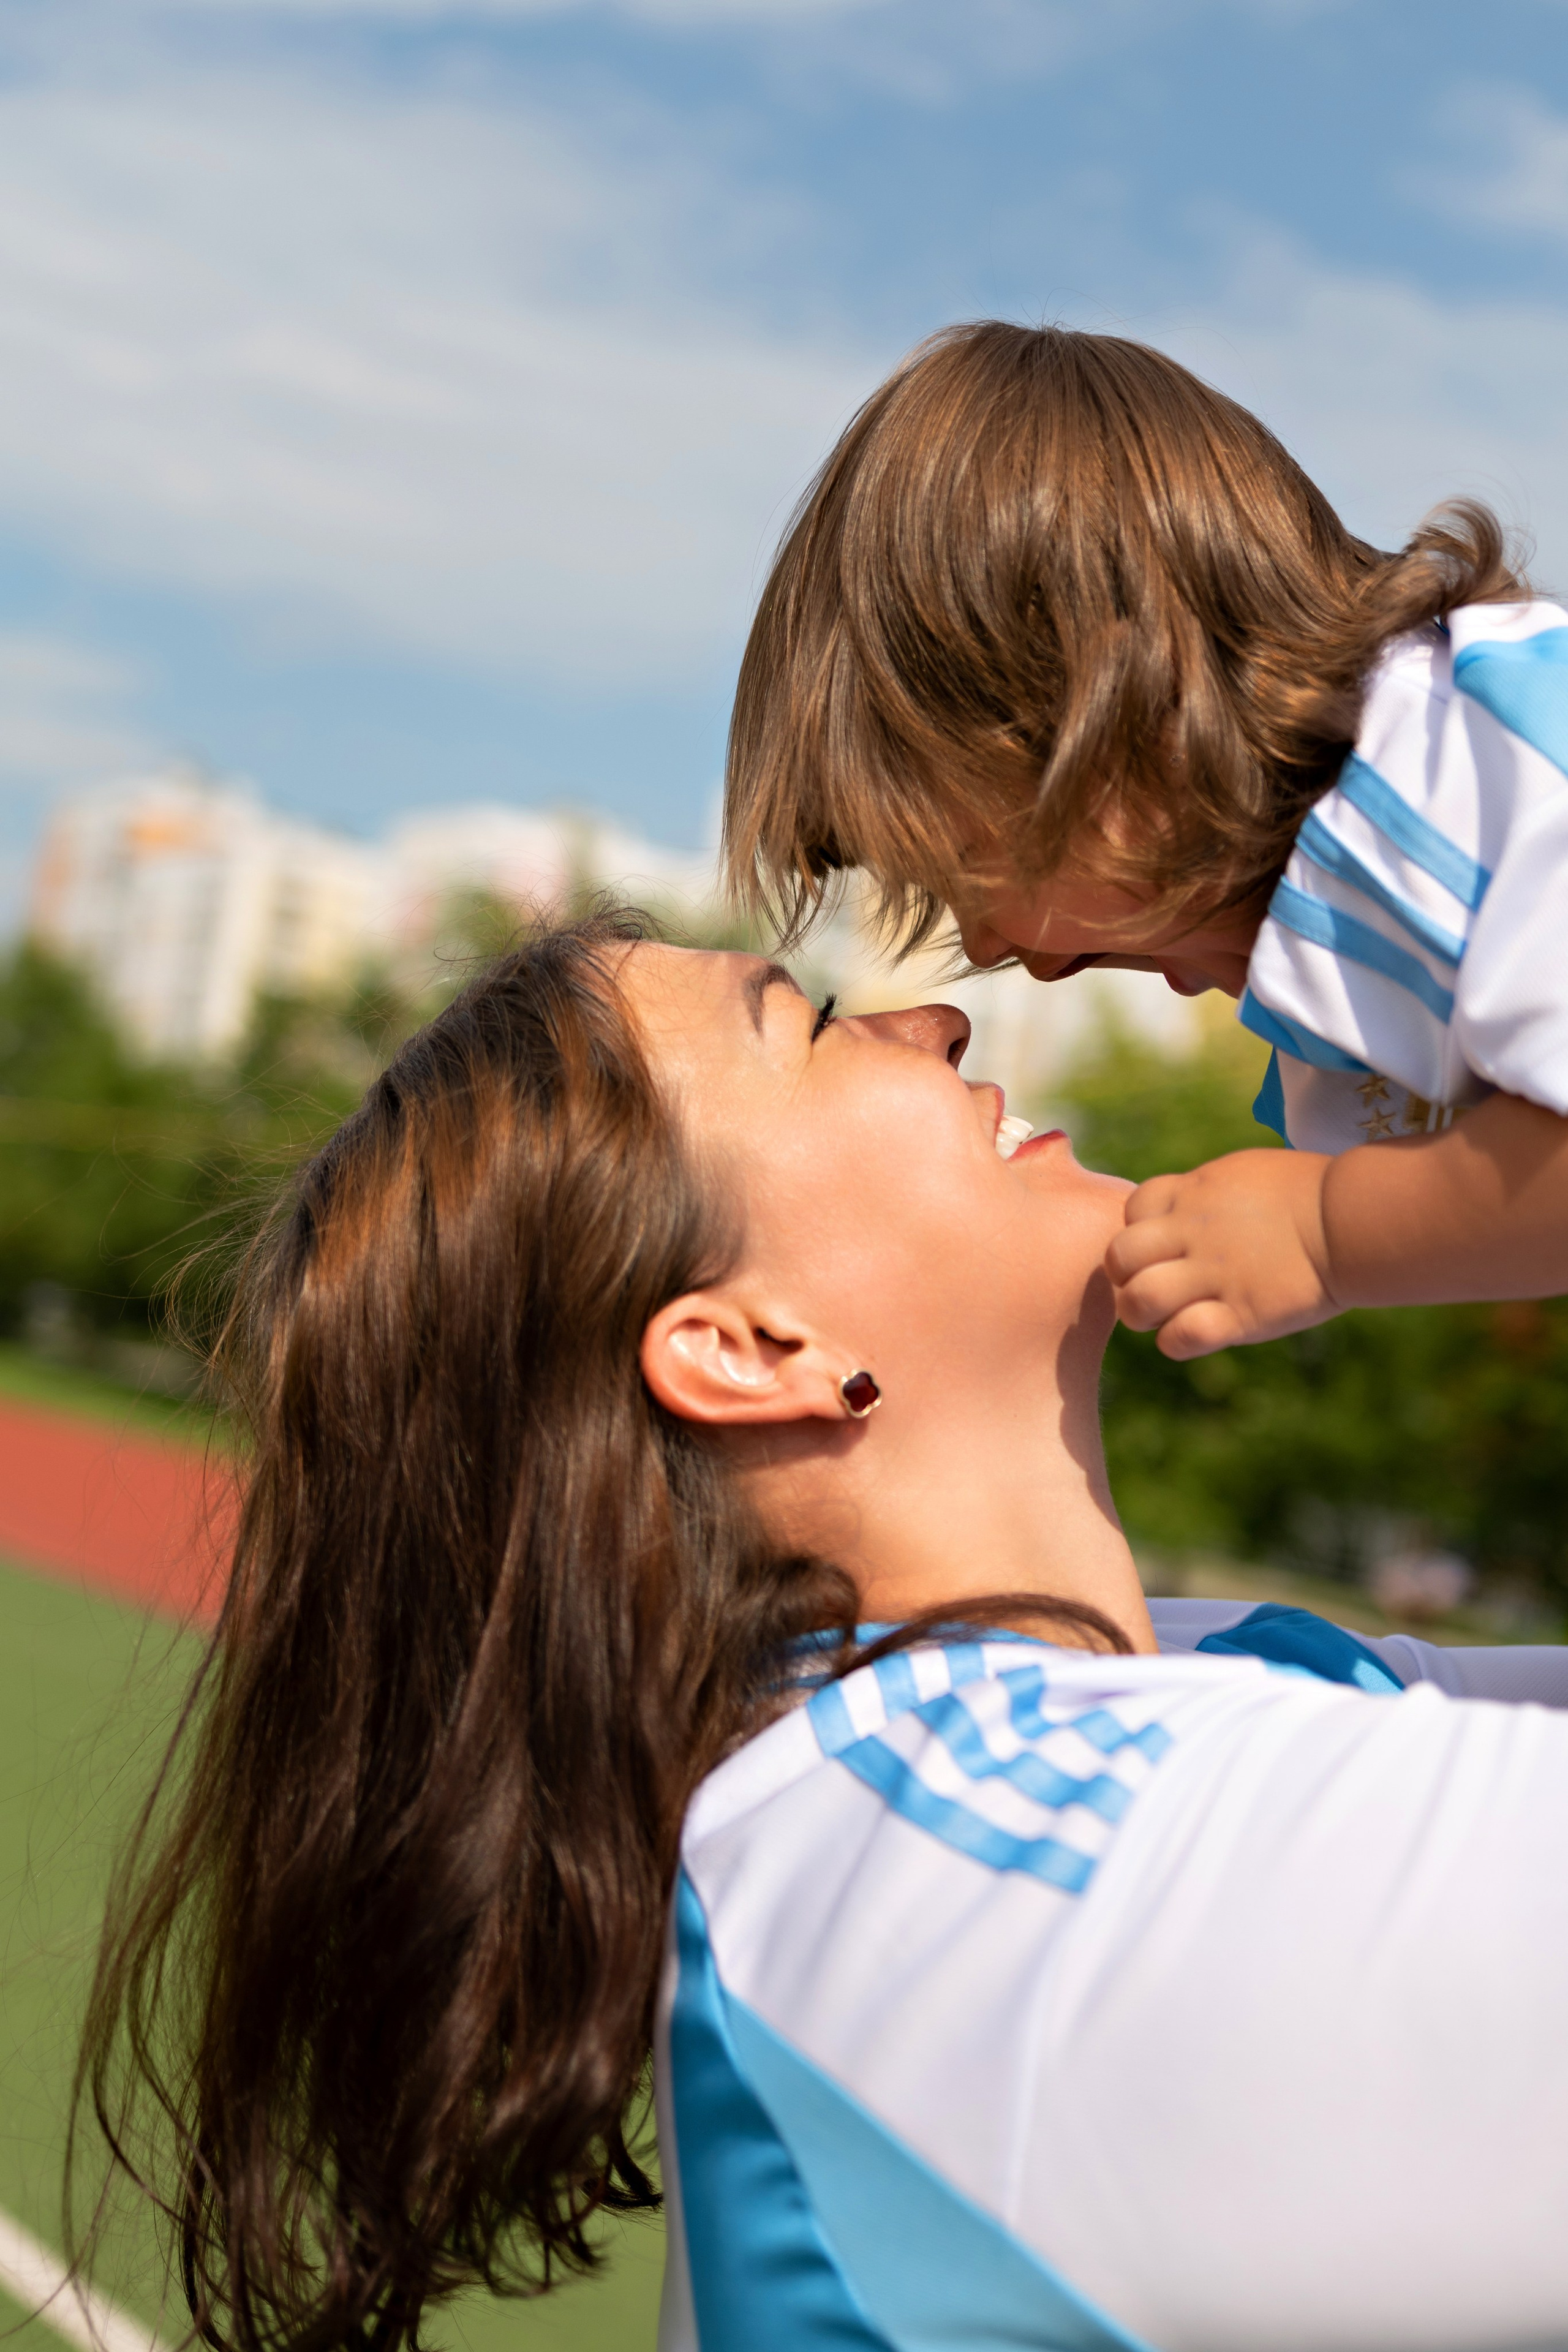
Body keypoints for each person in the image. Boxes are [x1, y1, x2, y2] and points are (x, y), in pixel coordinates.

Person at [75, 913, 1568, 2352]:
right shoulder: (966, 1862)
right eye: (809, 1023)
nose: (935, 1017)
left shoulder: (1183, 1679)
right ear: (747, 1347)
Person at [723, 320, 1568, 1362]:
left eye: (961, 875)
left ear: (1109, 712)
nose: (993, 951)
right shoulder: (1342, 960)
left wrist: (1329, 1233)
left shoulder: (1480, 765)